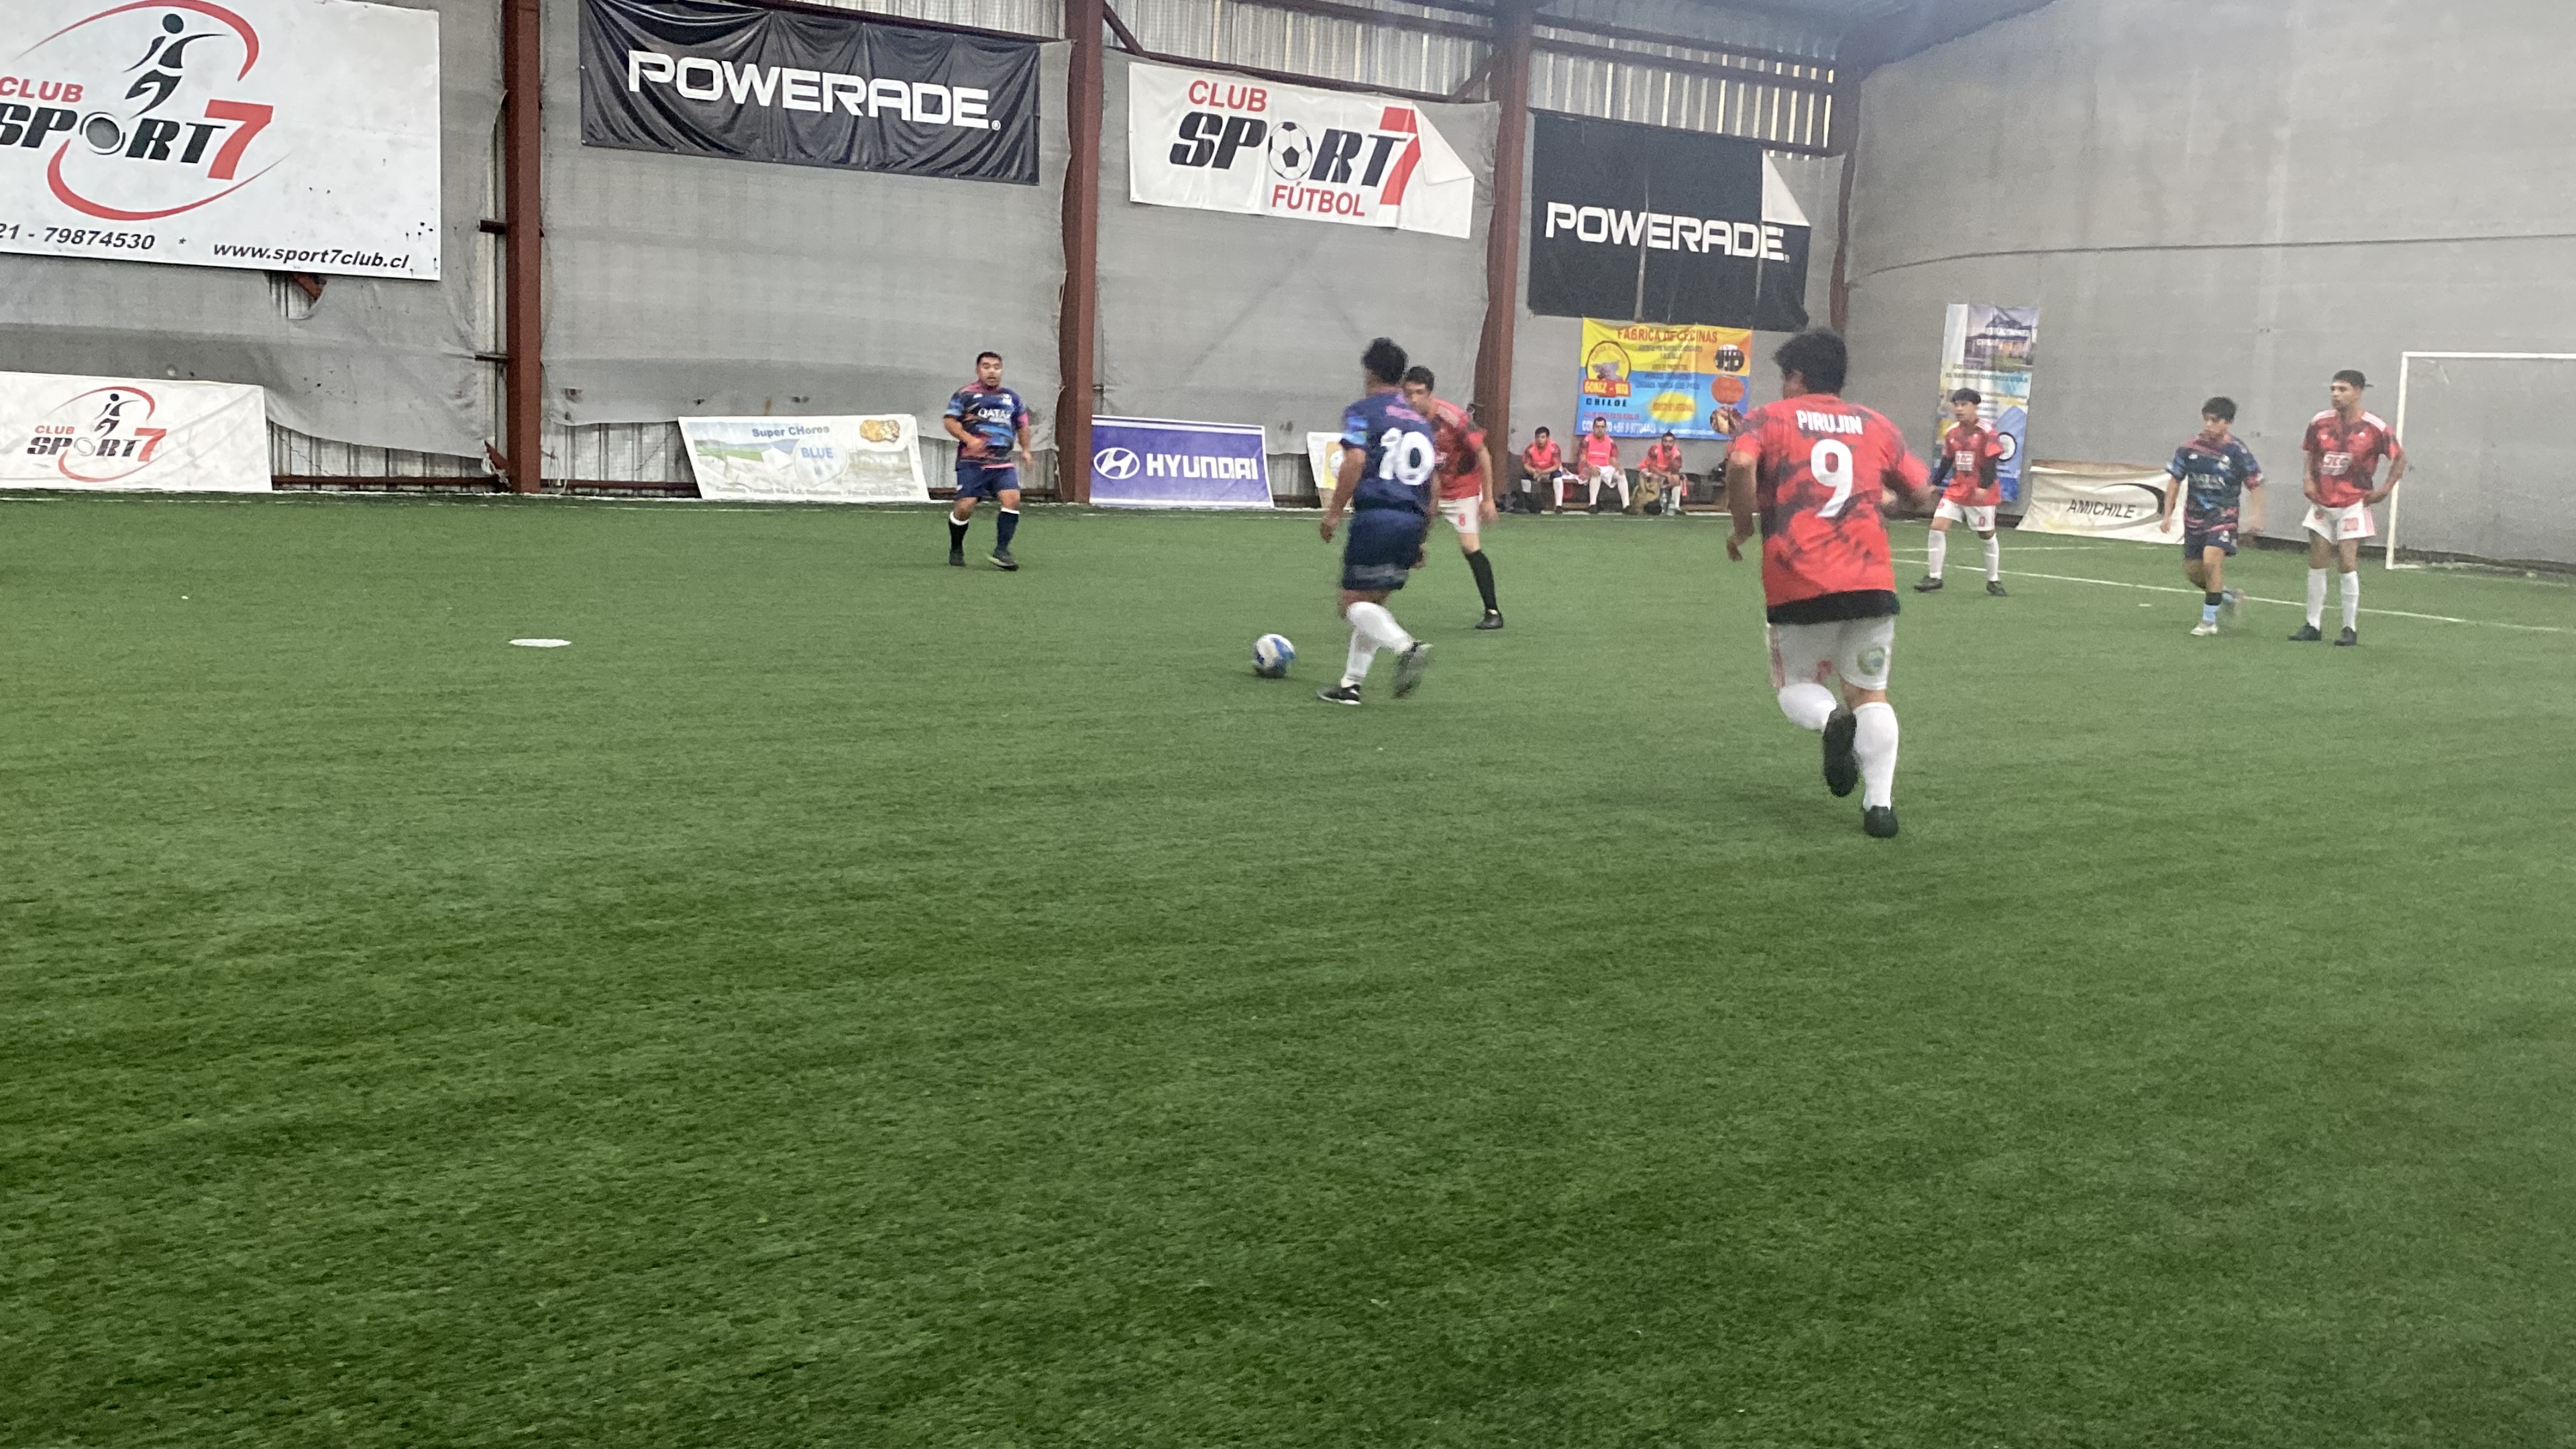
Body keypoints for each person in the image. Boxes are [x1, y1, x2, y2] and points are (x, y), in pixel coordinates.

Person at [1723, 329, 1934, 839]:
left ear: (1796, 376)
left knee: (1797, 685)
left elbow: (1742, 463)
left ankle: (1830, 719)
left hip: (1798, 577)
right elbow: (1922, 494)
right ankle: (1880, 807)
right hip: (1870, 580)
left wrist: (1743, 527)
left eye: (1784, 376)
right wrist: (1886, 504)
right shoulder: (1876, 423)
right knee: (1872, 693)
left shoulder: (1768, 418)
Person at [1316, 338, 1437, 704]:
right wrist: (1422, 537)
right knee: (1373, 605)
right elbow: (1434, 485)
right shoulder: (1421, 423)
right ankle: (1351, 685)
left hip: (1377, 516)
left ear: (1369, 371)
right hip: (1411, 519)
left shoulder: (1362, 412)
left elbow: (1354, 461)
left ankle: (1406, 647)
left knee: (1351, 605)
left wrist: (1334, 513)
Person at [2294, 369, 2406, 645]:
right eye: (2333, 389)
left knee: (2347, 561)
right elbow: (2310, 452)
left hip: (2353, 503)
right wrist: (2308, 479)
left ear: (2358, 392)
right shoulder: (2320, 422)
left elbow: (2399, 458)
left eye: (2342, 389)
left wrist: (2385, 489)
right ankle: (2312, 624)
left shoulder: (2375, 427)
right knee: (2317, 560)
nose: (2336, 395)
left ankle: (2349, 628)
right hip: (2322, 502)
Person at [1400, 366, 1504, 629]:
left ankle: (1493, 612)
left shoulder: (1453, 418)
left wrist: (1488, 499)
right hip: (1427, 487)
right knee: (1399, 535)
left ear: (1431, 393)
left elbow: (1483, 453)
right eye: (1409, 393)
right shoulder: (1404, 419)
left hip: (1461, 488)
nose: (1413, 399)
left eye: (1419, 393)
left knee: (1470, 547)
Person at [2158, 396, 2265, 637]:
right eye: (2206, 419)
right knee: (2194, 573)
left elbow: (2255, 485)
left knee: (2211, 562)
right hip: (2194, 518)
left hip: (2223, 517)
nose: (2208, 425)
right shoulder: (2189, 448)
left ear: (2228, 423)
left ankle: (2208, 622)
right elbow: (2175, 481)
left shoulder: (2237, 451)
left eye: (2214, 421)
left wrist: (2257, 516)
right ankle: (2228, 597)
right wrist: (2167, 515)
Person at [942, 351, 1033, 570]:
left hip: (1002, 462)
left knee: (1012, 499)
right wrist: (969, 439)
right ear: (978, 370)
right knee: (966, 506)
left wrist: (1026, 450)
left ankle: (1002, 551)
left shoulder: (1012, 398)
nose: (992, 371)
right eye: (986, 367)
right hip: (972, 462)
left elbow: (1022, 426)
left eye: (996, 367)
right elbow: (950, 421)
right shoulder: (965, 394)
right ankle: (956, 546)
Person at [1915, 388, 2006, 596]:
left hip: (1980, 492)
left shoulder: (1988, 432)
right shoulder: (1952, 432)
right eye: (1956, 405)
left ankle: (1993, 580)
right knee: (1937, 527)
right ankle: (1934, 577)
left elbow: (1991, 463)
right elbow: (1947, 460)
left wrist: (1984, 487)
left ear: (1976, 407)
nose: (1959, 409)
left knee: (1986, 535)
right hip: (1956, 489)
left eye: (1964, 405)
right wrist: (1933, 483)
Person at [1519, 427, 1578, 511]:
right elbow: (1526, 465)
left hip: (1549, 471)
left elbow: (1556, 466)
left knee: (1557, 477)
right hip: (1536, 471)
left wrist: (1542, 472)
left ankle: (1558, 506)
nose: (1540, 440)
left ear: (1548, 438)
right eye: (1538, 437)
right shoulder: (1531, 448)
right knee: (1524, 477)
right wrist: (1532, 471)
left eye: (1543, 437)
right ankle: (1527, 503)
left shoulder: (1554, 448)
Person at [1576, 416, 1628, 512]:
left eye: (1602, 427)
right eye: (1597, 427)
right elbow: (1582, 459)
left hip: (1606, 467)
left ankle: (1626, 506)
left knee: (1622, 475)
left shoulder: (1611, 442)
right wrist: (1591, 466)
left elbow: (1613, 460)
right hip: (1588, 467)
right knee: (1597, 472)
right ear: (1593, 428)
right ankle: (1593, 505)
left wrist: (1618, 466)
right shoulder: (1586, 440)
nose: (1600, 429)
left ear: (1605, 428)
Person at [1639, 431, 1688, 516]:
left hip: (1665, 472)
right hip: (1648, 470)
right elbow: (1651, 467)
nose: (1668, 444)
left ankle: (1675, 507)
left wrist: (1671, 459)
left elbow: (1676, 469)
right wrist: (1666, 475)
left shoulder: (1676, 452)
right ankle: (1652, 505)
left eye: (1670, 442)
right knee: (1655, 477)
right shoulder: (1655, 449)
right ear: (1662, 442)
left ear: (1674, 443)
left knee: (1676, 479)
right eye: (1666, 441)